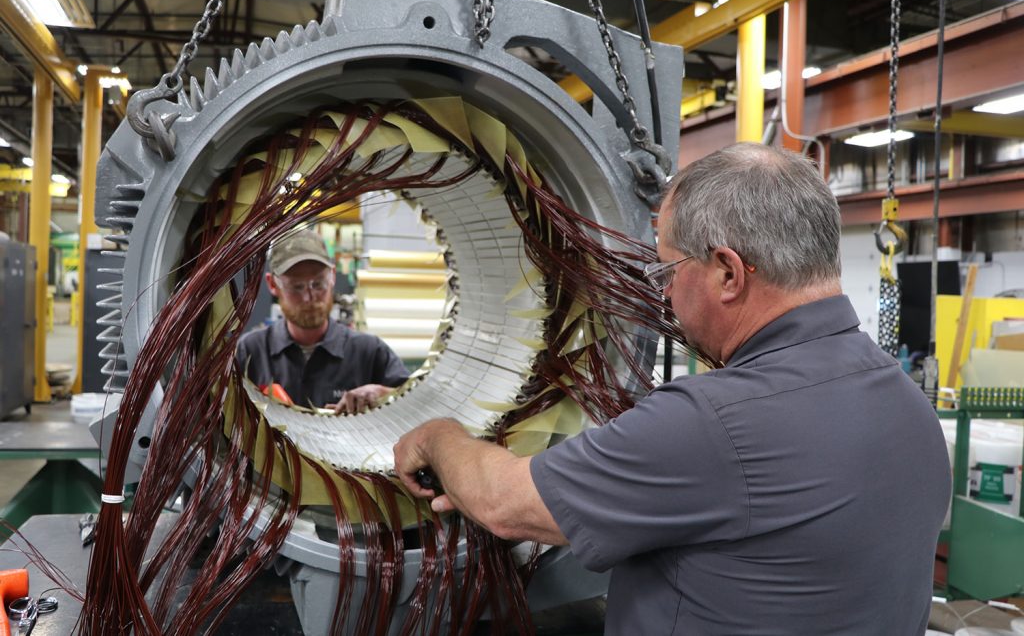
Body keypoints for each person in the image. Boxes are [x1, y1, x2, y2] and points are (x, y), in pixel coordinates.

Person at [394, 143, 951, 634]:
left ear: (728, 273)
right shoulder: (907, 403)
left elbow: (503, 503)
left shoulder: (715, 421)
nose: (663, 299)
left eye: (666, 274)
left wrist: (438, 436)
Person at [236, 229, 409, 414]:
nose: (309, 297)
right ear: (272, 284)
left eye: (318, 284)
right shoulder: (251, 352)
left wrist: (382, 394)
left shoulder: (369, 352)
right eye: (296, 287)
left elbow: (415, 406)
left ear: (333, 276)